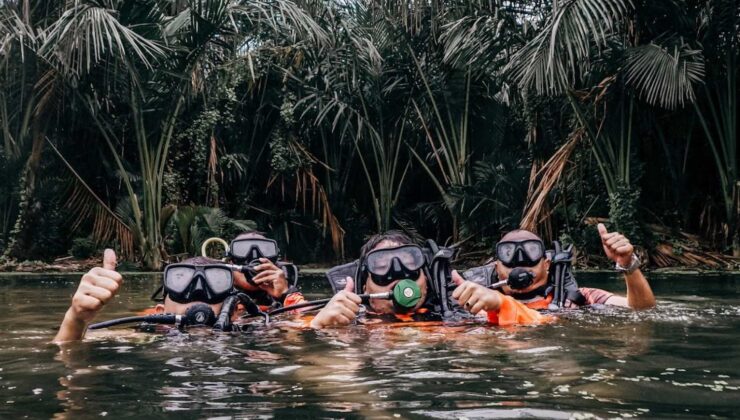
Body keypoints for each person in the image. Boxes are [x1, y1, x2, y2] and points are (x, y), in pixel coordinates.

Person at [309, 231, 548, 329]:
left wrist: (500, 303)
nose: (399, 274)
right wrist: (319, 327)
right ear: (363, 285)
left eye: (410, 263)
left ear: (427, 279)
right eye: (381, 266)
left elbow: (539, 327)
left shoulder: (458, 321)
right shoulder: (337, 321)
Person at [54, 252, 255, 343]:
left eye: (216, 283)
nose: (198, 292)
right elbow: (62, 347)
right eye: (181, 282)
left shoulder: (259, 332)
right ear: (160, 313)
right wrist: (76, 320)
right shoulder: (144, 336)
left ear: (237, 311)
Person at [459, 223, 656, 312]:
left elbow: (641, 309)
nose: (520, 262)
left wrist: (627, 264)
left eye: (531, 253)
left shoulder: (578, 299)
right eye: (508, 255)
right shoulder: (474, 306)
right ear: (496, 267)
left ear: (547, 263)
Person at [226, 231, 304, 308]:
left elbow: (308, 317)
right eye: (241, 251)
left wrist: (286, 294)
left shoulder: (285, 290)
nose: (254, 259)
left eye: (265, 251)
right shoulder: (218, 295)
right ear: (230, 263)